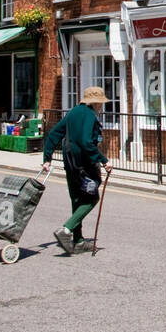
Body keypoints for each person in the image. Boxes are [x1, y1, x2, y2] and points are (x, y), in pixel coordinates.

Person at [41, 87, 112, 255]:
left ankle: (78, 241)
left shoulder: (73, 112)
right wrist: (104, 160)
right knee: (91, 198)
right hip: (84, 164)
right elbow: (87, 142)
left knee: (77, 199)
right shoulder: (89, 115)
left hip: (69, 161)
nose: (101, 106)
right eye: (100, 103)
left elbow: (53, 135)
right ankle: (66, 230)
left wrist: (47, 158)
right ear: (95, 102)